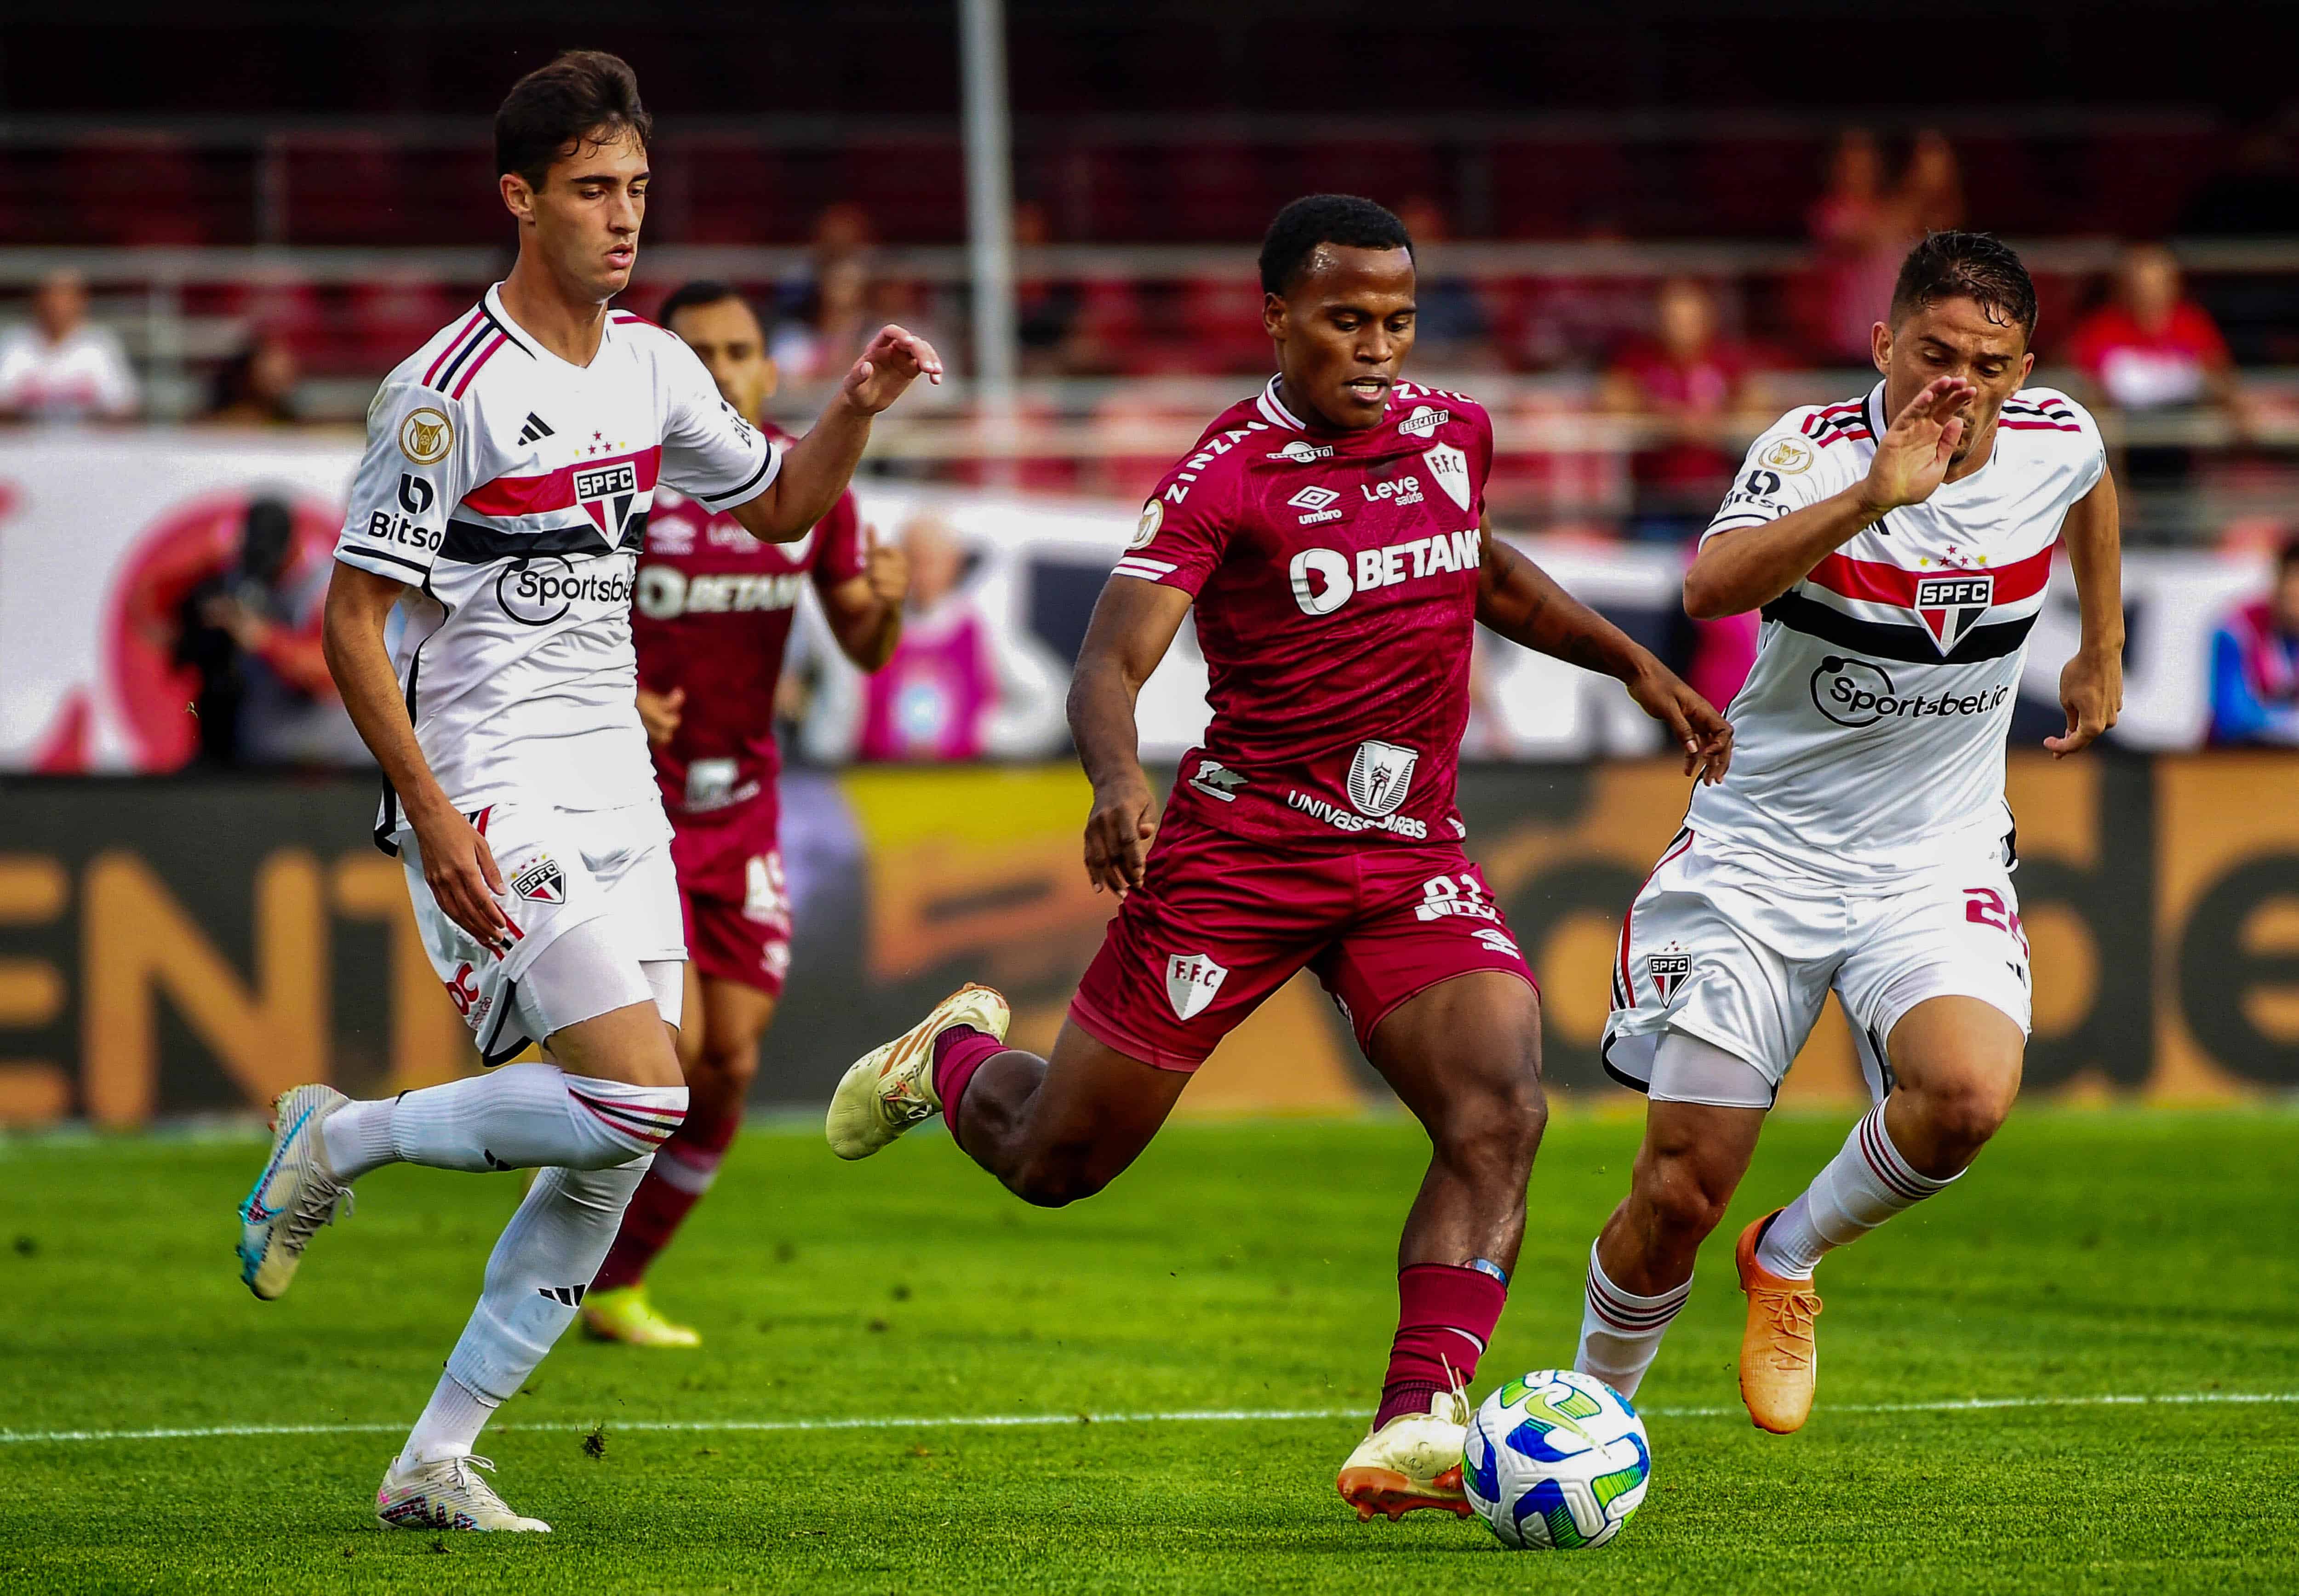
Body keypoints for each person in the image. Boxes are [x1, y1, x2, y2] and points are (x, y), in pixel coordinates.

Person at [822, 194, 1732, 1521]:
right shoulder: (1224, 472)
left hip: (1409, 850)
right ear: (1278, 318)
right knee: (1056, 1160)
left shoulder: (1451, 434)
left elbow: (1487, 571)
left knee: (1501, 1110)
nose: (1378, 348)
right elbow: (1110, 656)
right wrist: (1121, 777)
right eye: (1347, 320)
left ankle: (1419, 1414)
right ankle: (948, 1056)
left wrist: (1633, 658)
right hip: (1242, 851)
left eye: (1398, 320)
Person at [231, 51, 941, 1534]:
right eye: (592, 192)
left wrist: (859, 407)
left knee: (622, 1149)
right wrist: (429, 813)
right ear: (520, 199)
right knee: (638, 1092)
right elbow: (353, 624)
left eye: (635, 190)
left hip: (628, 788)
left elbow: (788, 509)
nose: (623, 221)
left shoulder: (655, 368)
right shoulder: (445, 396)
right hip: (494, 783)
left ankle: (435, 1459)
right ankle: (337, 1139)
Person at [1577, 232, 2123, 1435]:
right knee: (1678, 1187)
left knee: (1969, 1093)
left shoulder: (2055, 437)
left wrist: (2102, 641)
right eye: (1933, 352)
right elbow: (1710, 588)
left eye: (1987, 364)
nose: (1956, 384)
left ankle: (1793, 1252)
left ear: (2023, 370)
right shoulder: (1807, 452)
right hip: (1761, 857)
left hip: (1936, 859)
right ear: (1884, 343)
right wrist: (1874, 495)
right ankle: (1592, 1418)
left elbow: (2091, 483)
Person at [578, 279, 912, 1348]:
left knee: (729, 1060)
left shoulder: (807, 484)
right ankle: (552, 1226)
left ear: (771, 371)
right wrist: (614, 689)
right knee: (666, 1052)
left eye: (739, 351)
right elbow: (534, 623)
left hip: (746, 805)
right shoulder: (614, 484)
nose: (721, 370)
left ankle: (616, 1283)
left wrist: (891, 603)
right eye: (700, 352)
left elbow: (863, 645)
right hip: (630, 808)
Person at [805, 510, 1067, 763]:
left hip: (958, 790)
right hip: (880, 791)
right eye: (912, 560)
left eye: (930, 561)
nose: (921, 573)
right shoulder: (873, 629)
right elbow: (833, 730)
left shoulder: (980, 630)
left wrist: (985, 735)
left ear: (954, 564)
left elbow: (1047, 706)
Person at [179, 496, 368, 767]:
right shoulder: (240, 578)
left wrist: (264, 640)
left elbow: (334, 672)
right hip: (258, 755)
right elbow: (149, 609)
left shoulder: (323, 589)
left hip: (326, 759)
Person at [2069, 243, 2247, 498]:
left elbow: (2223, 381)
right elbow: (2092, 402)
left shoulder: (2193, 324)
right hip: (2125, 456)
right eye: (2140, 283)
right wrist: (2112, 483)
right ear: (2124, 287)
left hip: (2187, 456)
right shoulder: (2101, 330)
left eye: (2157, 282)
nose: (2148, 292)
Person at [1600, 275, 1769, 543]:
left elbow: (1757, 411)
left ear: (1707, 319)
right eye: (1673, 318)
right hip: (1655, 499)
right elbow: (1614, 405)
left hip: (1716, 497)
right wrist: (1677, 422)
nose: (1681, 327)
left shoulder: (1727, 361)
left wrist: (1713, 424)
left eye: (1690, 319)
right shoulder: (1637, 361)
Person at [0, 268, 138, 422]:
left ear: (81, 302)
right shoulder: (16, 342)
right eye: (51, 298)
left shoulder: (99, 344)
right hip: (25, 444)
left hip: (89, 444)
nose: (57, 307)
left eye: (65, 299)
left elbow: (124, 406)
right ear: (38, 301)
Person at [2207, 540, 2299, 746]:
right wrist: (2289, 723)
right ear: (2279, 583)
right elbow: (2233, 717)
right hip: (2238, 763)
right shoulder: (2237, 630)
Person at [203, 332, 303, 427]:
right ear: (248, 372)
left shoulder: (293, 423)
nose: (279, 375)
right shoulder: (219, 425)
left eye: (285, 368)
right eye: (269, 371)